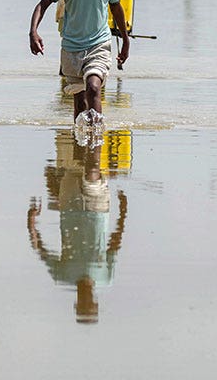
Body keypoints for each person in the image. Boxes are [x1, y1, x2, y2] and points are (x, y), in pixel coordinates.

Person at [30, 0, 130, 129]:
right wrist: (33, 31)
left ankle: (96, 137)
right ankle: (81, 143)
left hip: (99, 44)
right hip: (72, 47)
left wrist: (125, 41)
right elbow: (43, 4)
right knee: (80, 100)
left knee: (93, 87)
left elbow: (116, 8)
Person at [27, 132, 128, 324]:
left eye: (84, 303)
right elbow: (115, 244)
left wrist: (31, 222)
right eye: (88, 303)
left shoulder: (63, 276)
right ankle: (91, 125)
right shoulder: (105, 278)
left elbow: (39, 249)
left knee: (78, 161)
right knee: (91, 168)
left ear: (77, 303)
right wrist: (123, 211)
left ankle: (88, 125)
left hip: (69, 204)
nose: (86, 299)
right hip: (98, 209)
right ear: (94, 302)